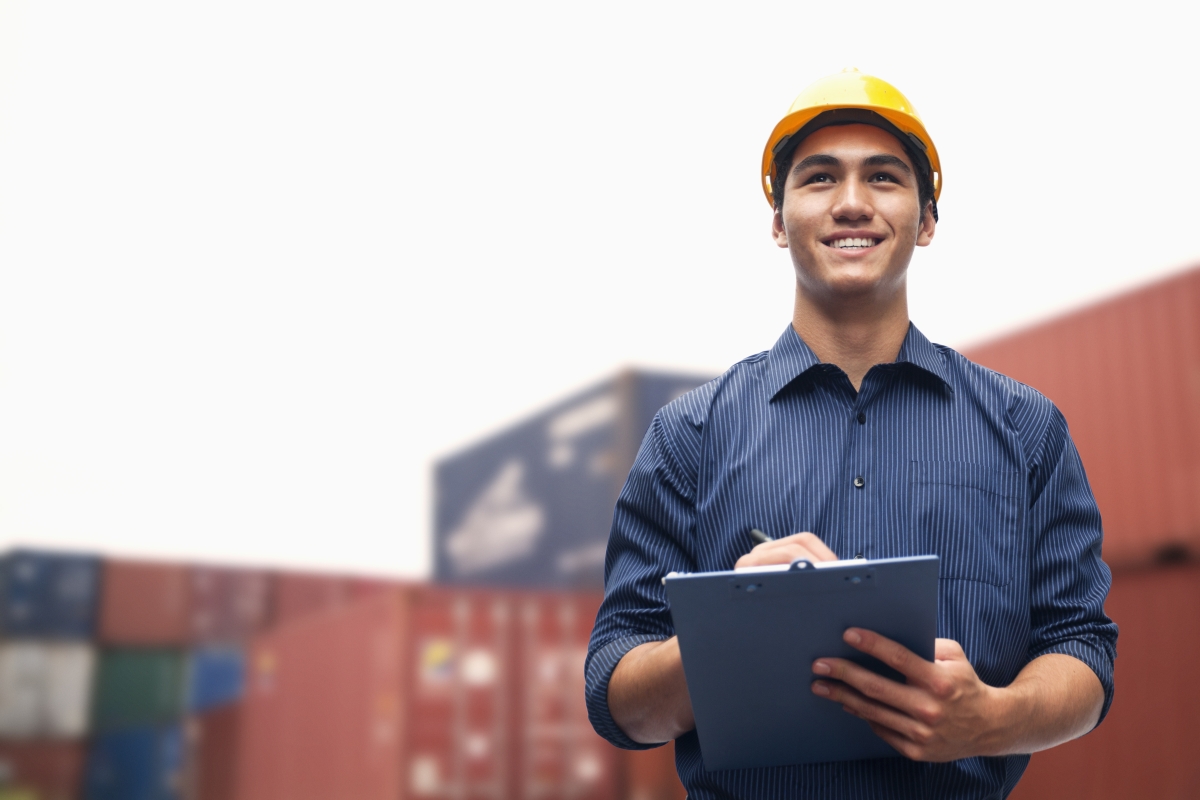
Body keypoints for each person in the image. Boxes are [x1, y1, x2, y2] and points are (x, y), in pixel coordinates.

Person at [584, 69, 1118, 799]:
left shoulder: (1027, 430)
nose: (852, 203)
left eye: (884, 177)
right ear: (778, 221)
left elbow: (1081, 650)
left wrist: (990, 719)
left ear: (927, 220)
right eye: (819, 178)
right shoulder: (690, 436)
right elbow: (615, 693)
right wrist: (724, 632)